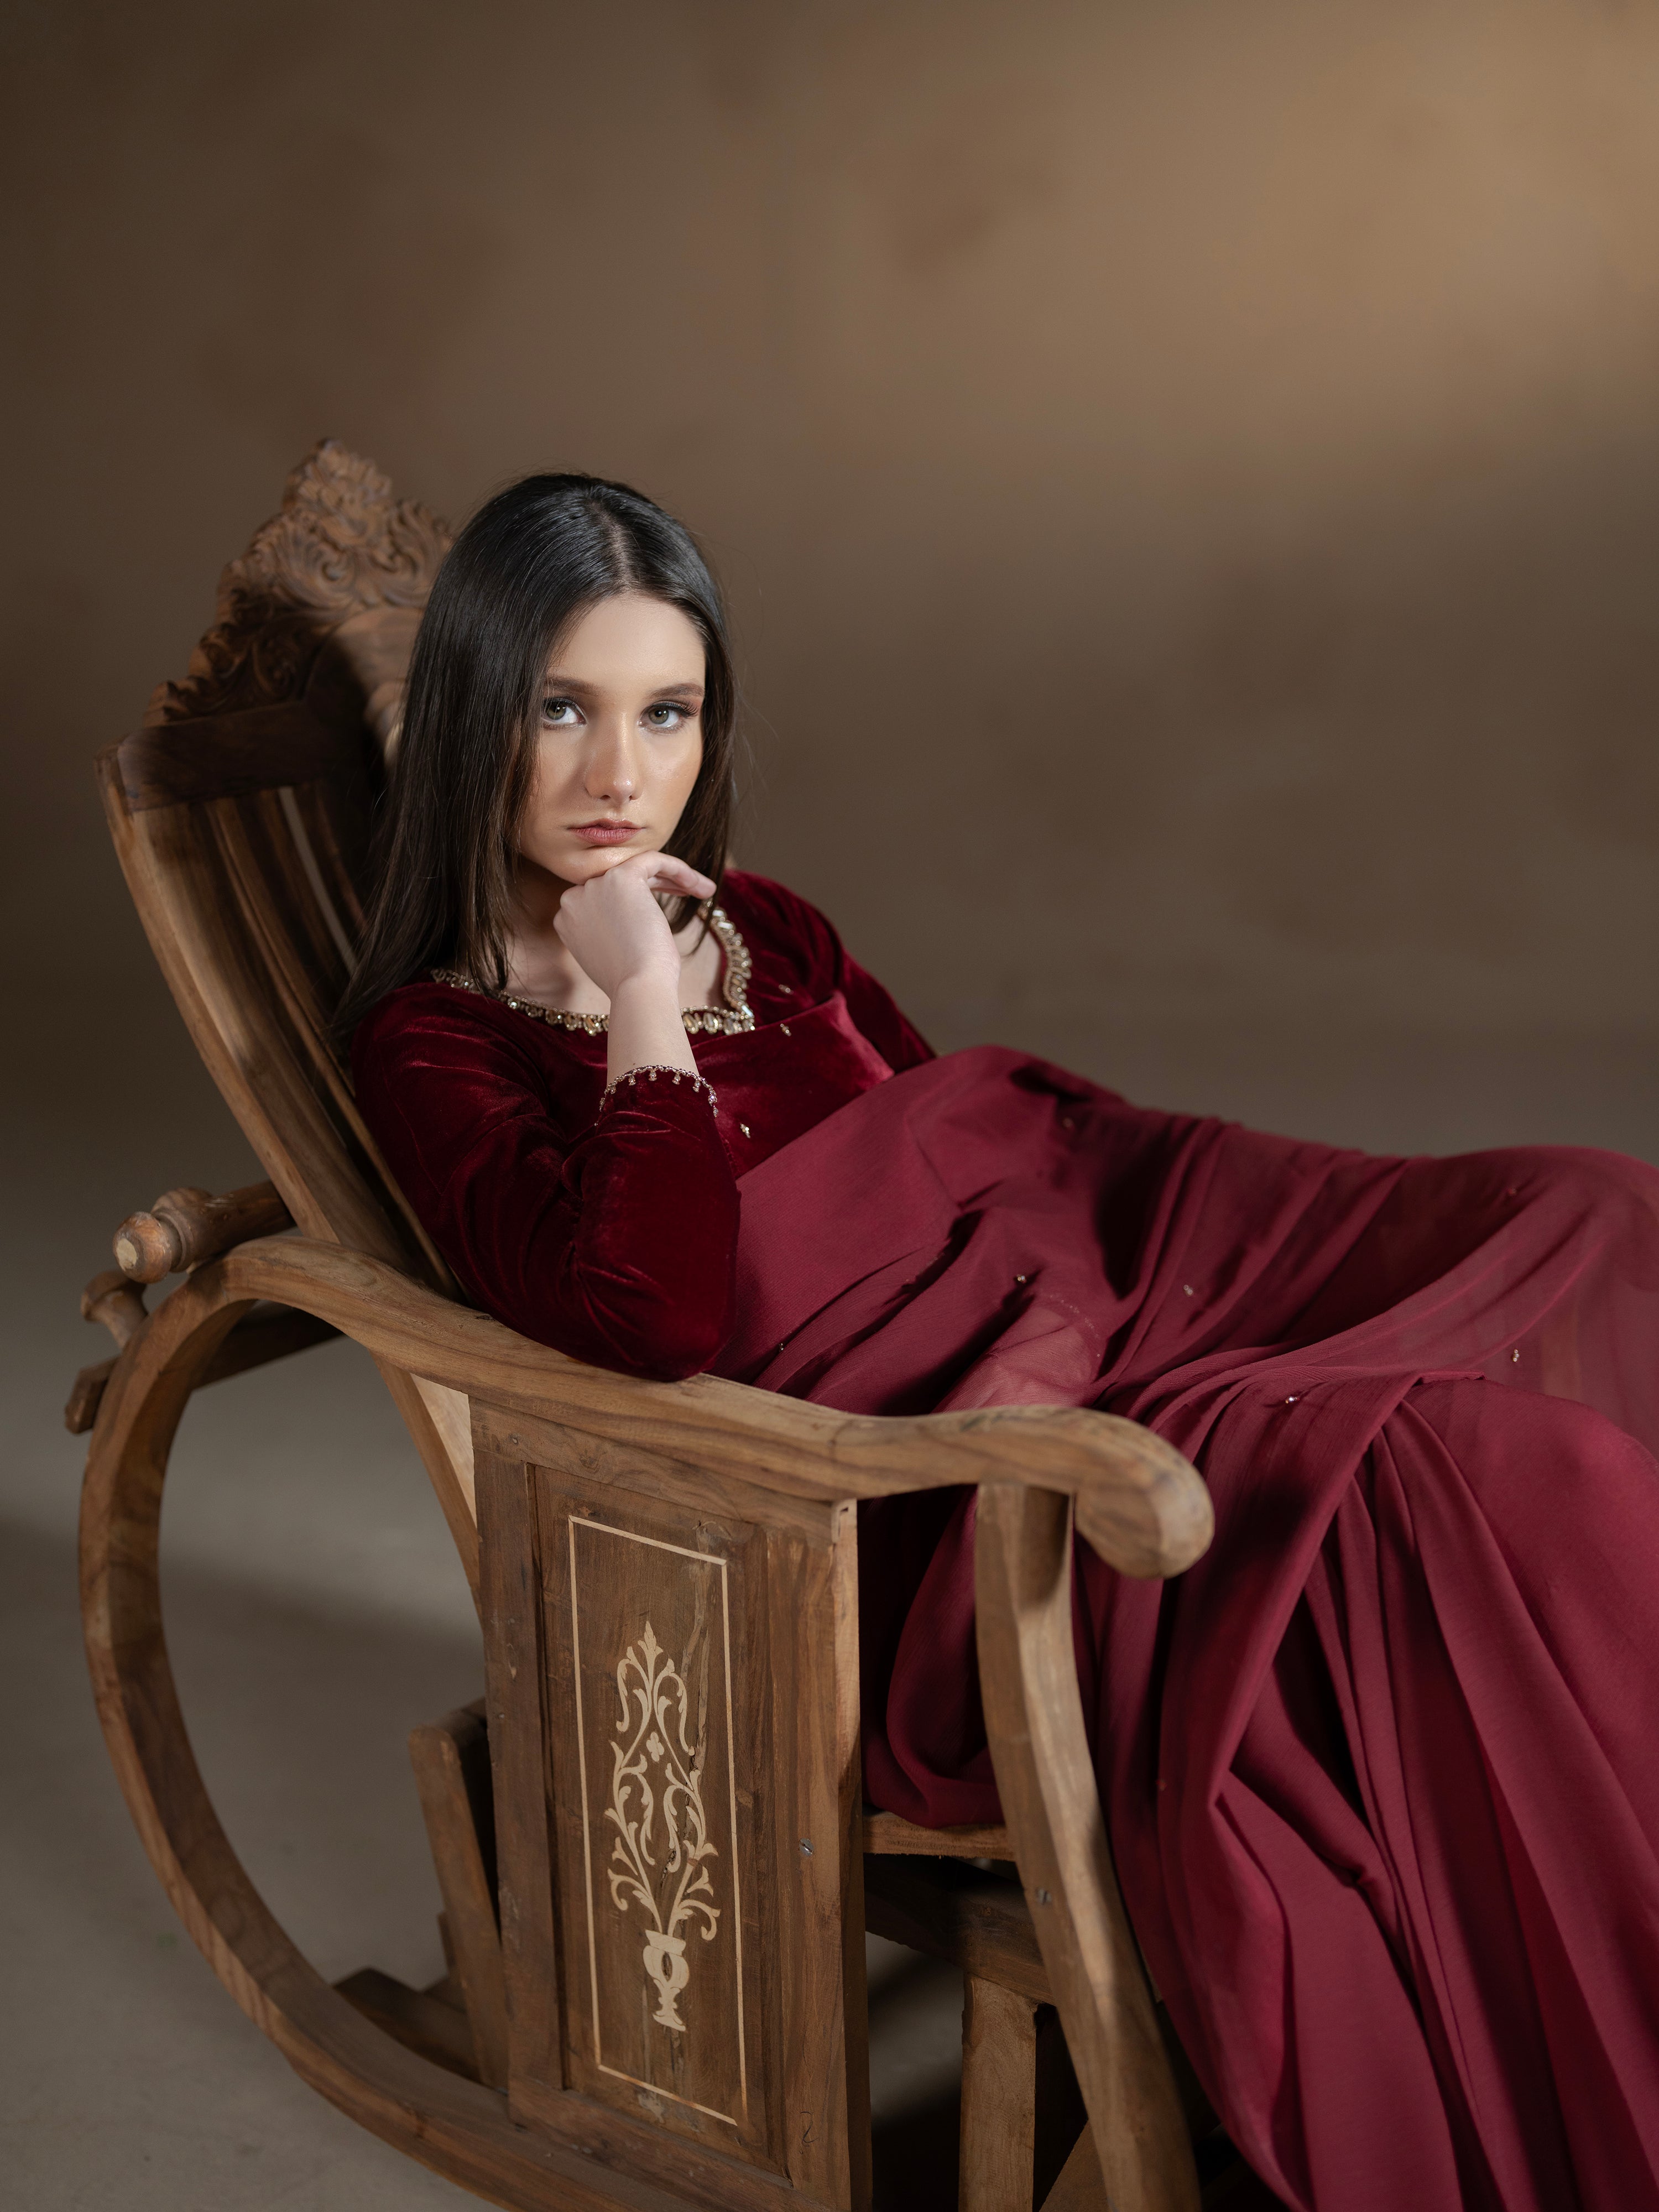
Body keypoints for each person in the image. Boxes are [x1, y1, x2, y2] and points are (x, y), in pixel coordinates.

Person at [343, 473, 1659, 2212]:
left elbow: (955, 1140)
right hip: (908, 1499)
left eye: (668, 712)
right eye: (560, 710)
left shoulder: (769, 923)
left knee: (1591, 1211)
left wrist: (1094, 1290)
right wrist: (639, 995)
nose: (621, 775)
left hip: (1093, 1282)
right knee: (1457, 1463)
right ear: (474, 723)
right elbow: (651, 1313)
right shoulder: (443, 1043)